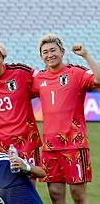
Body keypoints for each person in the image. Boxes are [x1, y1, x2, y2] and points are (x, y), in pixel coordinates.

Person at [31, 35, 100, 204]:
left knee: (78, 195)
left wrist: (86, 55)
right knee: (55, 194)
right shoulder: (39, 79)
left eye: (53, 50)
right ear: (41, 56)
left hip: (74, 145)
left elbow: (98, 80)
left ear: (61, 52)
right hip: (50, 146)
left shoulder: (76, 72)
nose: (49, 55)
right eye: (45, 52)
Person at [0, 40, 42, 166]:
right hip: (1, 142)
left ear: (3, 57)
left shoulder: (20, 71)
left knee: (30, 180)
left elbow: (44, 78)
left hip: (26, 138)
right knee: (7, 183)